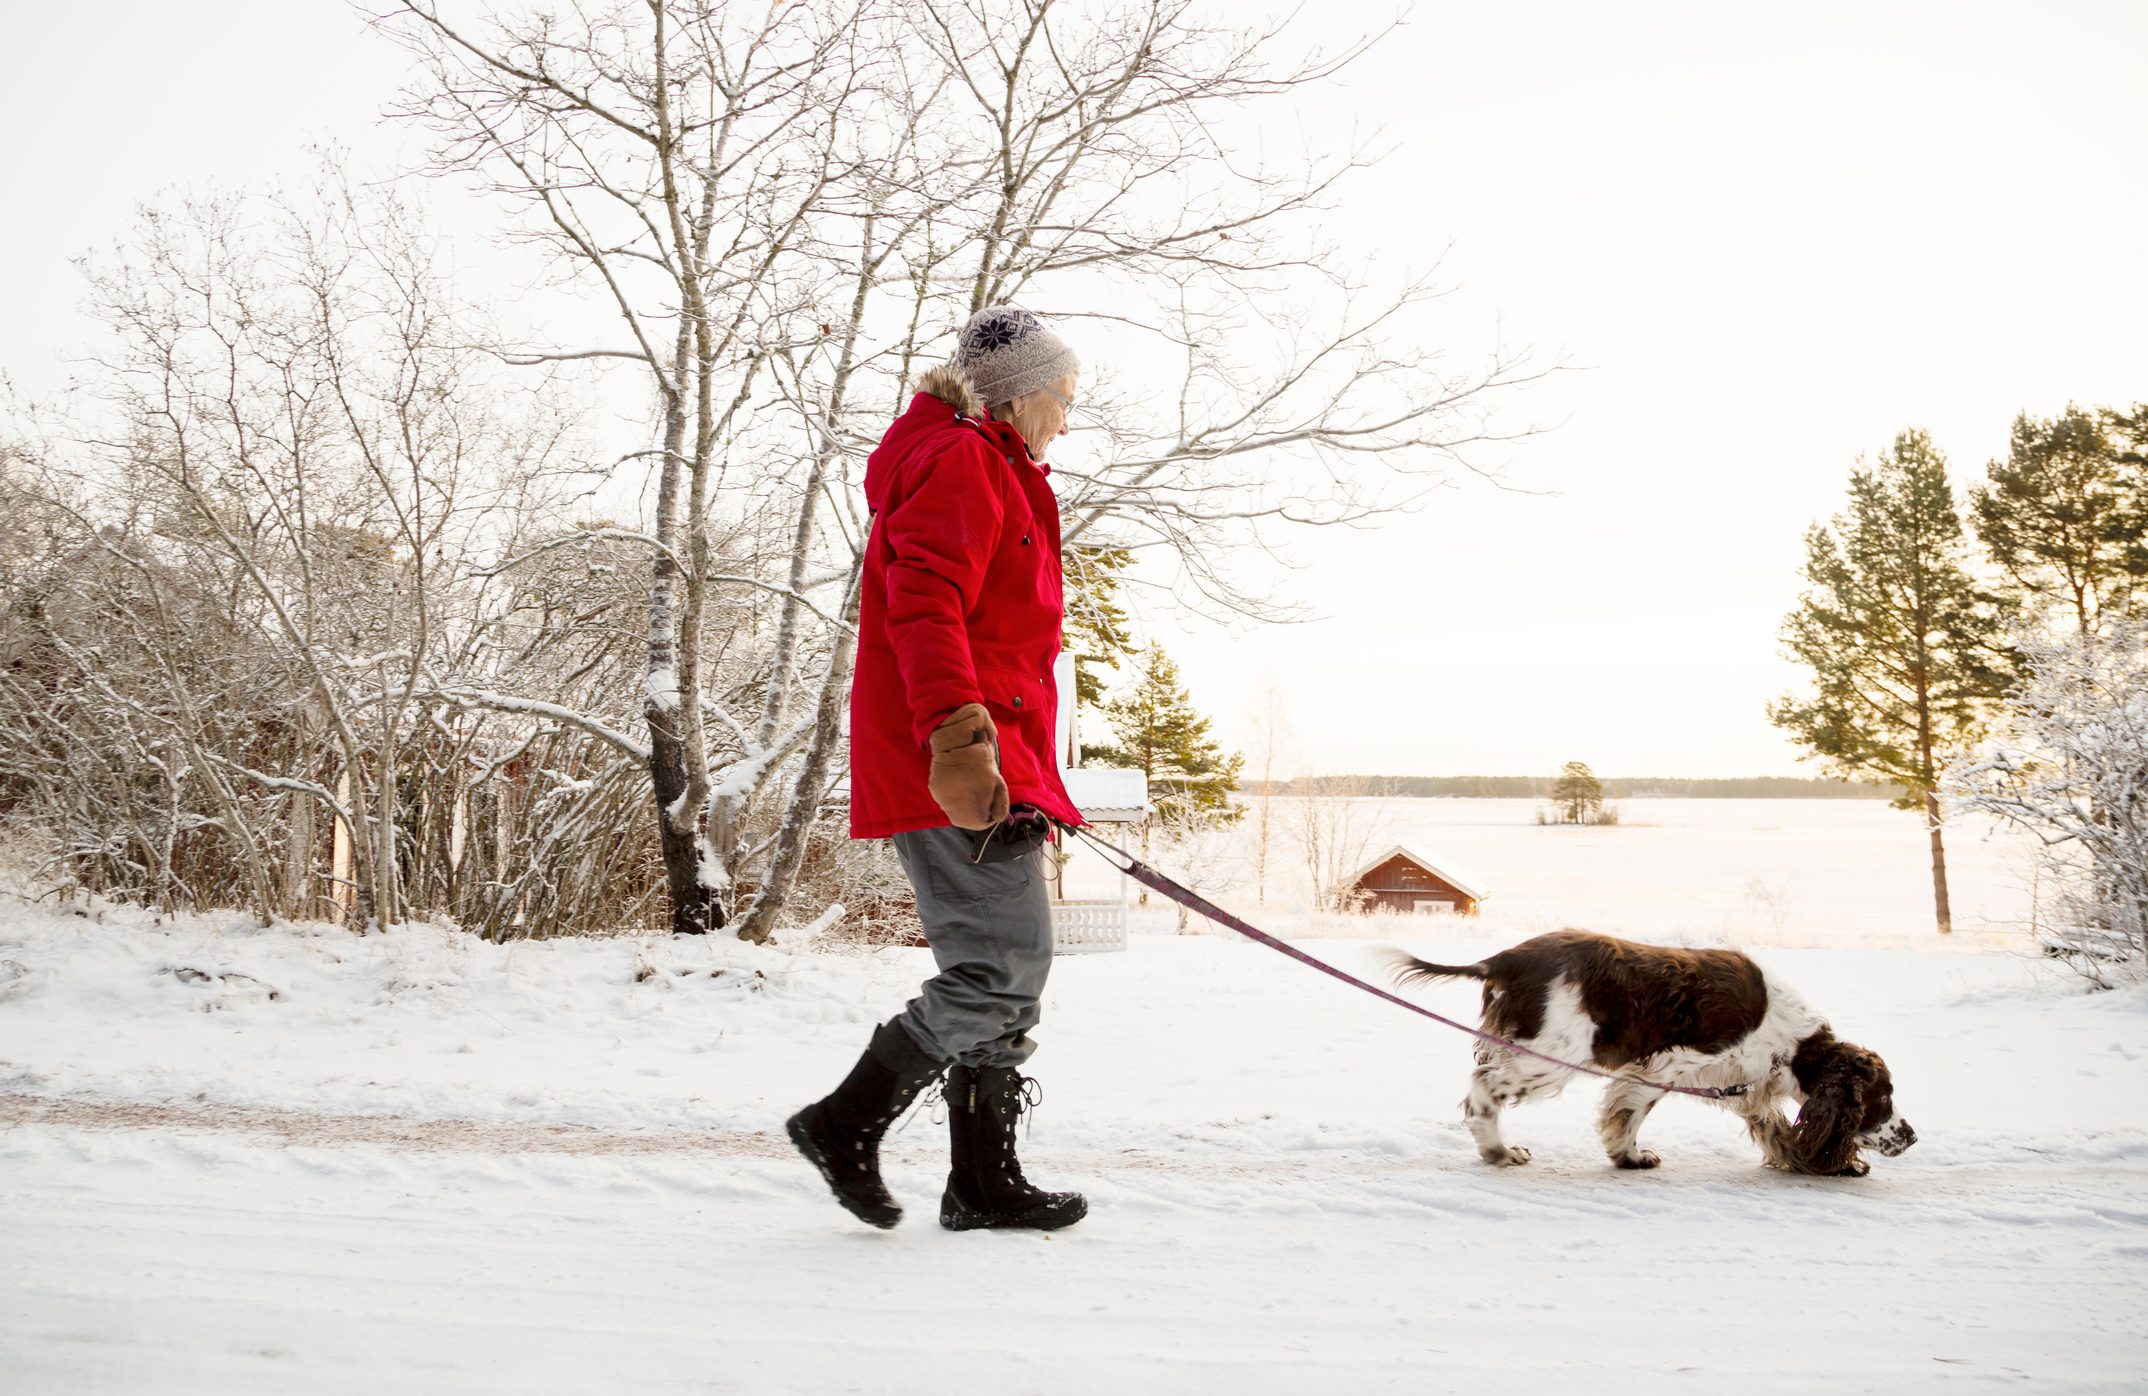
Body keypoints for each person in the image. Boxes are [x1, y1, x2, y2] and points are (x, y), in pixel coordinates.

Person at [787, 304, 1089, 1232]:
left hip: (994, 754)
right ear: (1020, 394)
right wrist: (957, 740)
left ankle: (981, 1183)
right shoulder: (961, 460)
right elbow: (925, 608)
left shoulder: (992, 463)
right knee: (999, 967)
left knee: (1011, 967)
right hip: (954, 758)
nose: (1069, 418)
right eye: (1063, 397)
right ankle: (844, 1124)